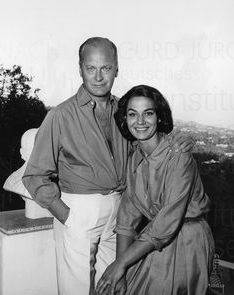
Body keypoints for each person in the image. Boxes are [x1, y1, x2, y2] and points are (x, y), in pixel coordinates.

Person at [22, 38, 193, 295]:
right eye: (91, 68)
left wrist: (180, 139)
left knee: (112, 286)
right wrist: (67, 215)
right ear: (80, 69)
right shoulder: (60, 115)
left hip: (121, 212)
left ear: (116, 69)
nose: (99, 77)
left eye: (106, 68)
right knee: (76, 288)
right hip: (79, 210)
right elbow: (34, 175)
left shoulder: (123, 111)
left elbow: (146, 144)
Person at [96, 85, 215, 295]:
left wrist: (120, 265)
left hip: (187, 241)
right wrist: (120, 271)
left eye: (148, 113)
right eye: (132, 114)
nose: (140, 122)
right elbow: (126, 220)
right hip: (154, 238)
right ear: (125, 119)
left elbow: (166, 223)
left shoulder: (178, 155)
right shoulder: (135, 158)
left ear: (159, 117)